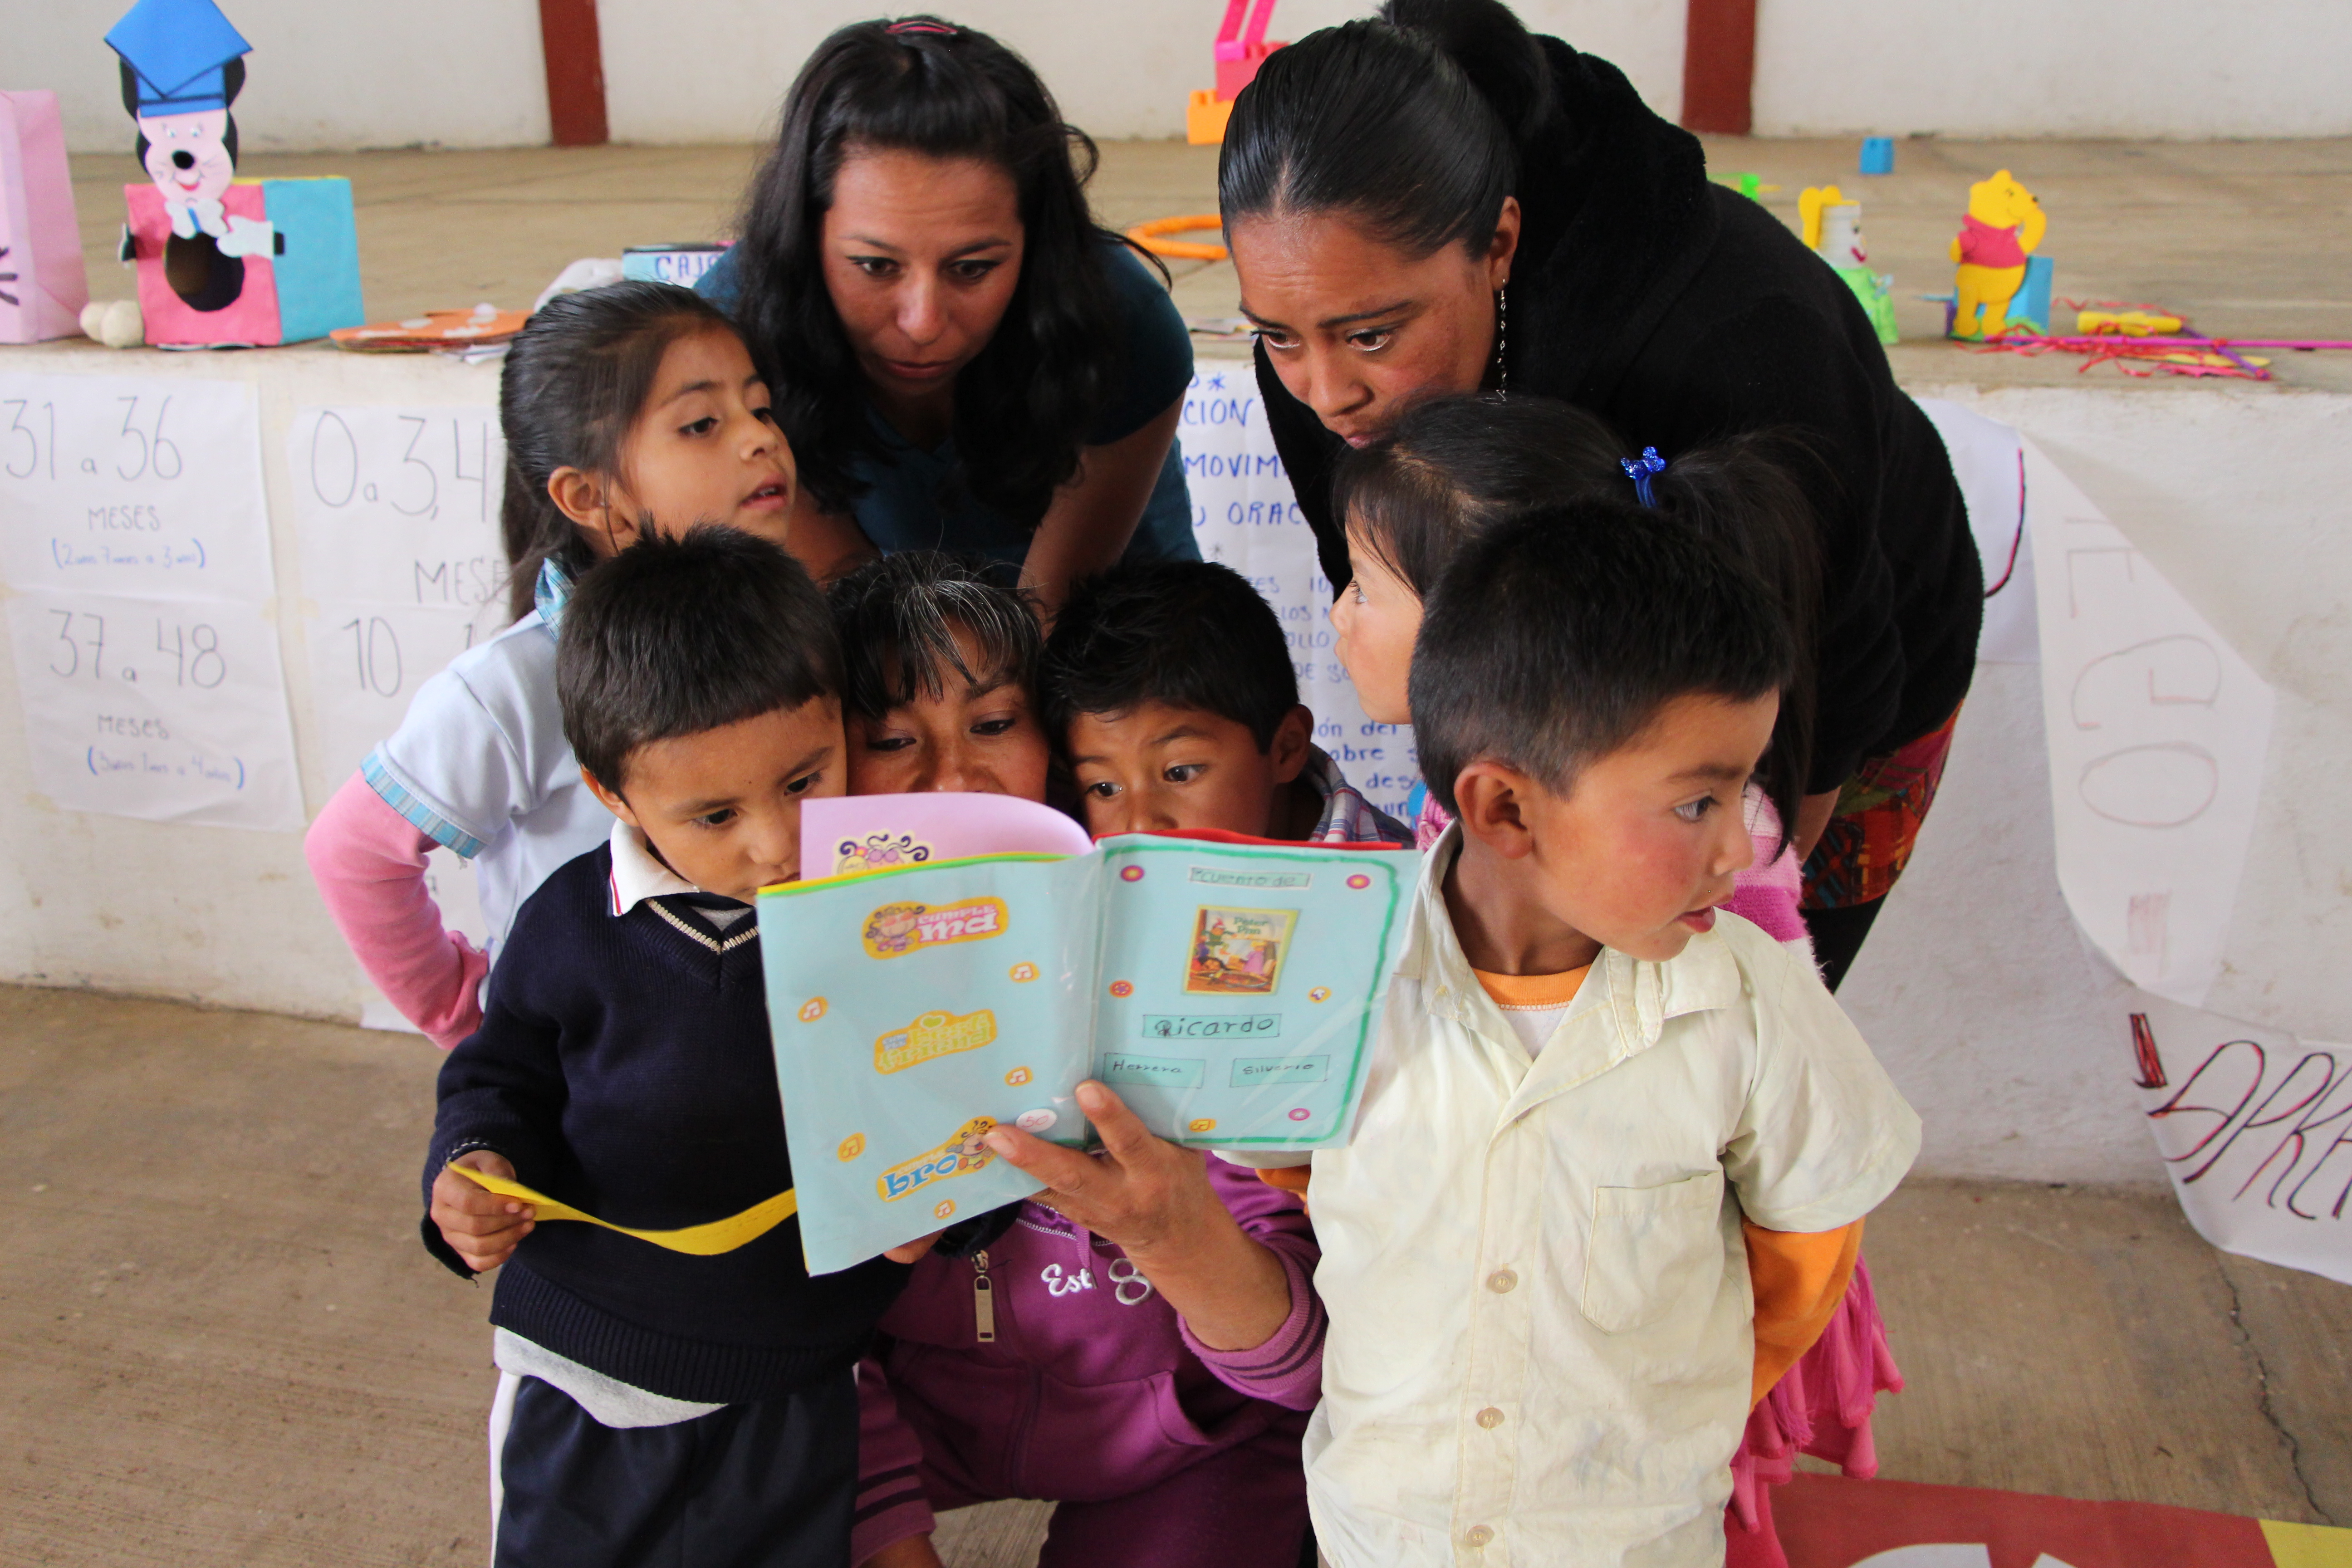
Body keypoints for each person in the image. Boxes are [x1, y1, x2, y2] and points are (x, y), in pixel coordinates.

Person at [1218, 0, 1983, 984]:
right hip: (1575, 728)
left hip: (1826, 712)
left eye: (1372, 335)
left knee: (1728, 1019)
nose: (1326, 393)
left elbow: (1818, 711)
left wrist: (1723, 949)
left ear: (1497, 246)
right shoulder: (1327, 357)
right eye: (1278, 337)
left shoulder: (1736, 342)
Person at [1326, 393, 1908, 1564]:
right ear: (1503, 807)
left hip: (1632, 1532)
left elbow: (1804, 1248)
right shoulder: (1339, 968)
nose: (1741, 846)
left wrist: (1670, 1412)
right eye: (1698, 801)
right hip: (1383, 1531)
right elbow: (1291, 1179)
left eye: (1738, 792)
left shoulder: (1742, 999)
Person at [824, 554, 1325, 1568]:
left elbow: (1301, 1372)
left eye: (994, 724)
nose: (954, 778)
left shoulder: (1212, 935)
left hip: (1190, 1433)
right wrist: (881, 1530)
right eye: (890, 740)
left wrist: (1177, 1238)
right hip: (903, 1416)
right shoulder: (807, 967)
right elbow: (773, 1343)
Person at [421, 528, 910, 1565]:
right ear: (614, 794)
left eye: (805, 777)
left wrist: (947, 1214)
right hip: (588, 1372)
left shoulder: (888, 921)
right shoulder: (568, 927)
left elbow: (954, 1087)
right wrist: (474, 1163)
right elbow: (497, 1073)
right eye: (715, 812)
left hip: (798, 1373)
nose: (773, 842)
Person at [304, 281, 802, 1048]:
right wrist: (468, 1016)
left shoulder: (797, 636)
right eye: (702, 423)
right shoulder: (513, 688)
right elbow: (353, 853)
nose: (758, 438)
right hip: (585, 1092)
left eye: (760, 408)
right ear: (587, 494)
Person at [702, 16, 1199, 608]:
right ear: (806, 235)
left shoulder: (1125, 323)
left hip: (1115, 644)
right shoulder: (736, 333)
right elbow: (852, 602)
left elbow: (1051, 615)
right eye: (875, 267)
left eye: (972, 269)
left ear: (1037, 241)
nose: (922, 323)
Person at [1329, 393, 1817, 942]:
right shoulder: (1465, 782)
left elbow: (1770, 1006)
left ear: (1477, 615)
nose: (1339, 613)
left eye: (1363, 588)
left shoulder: (1724, 872)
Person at [1040, 559, 1411, 844]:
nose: (1141, 825)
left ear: (1286, 748)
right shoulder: (1096, 888)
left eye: (1180, 773)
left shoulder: (1411, 901)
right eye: (1105, 789)